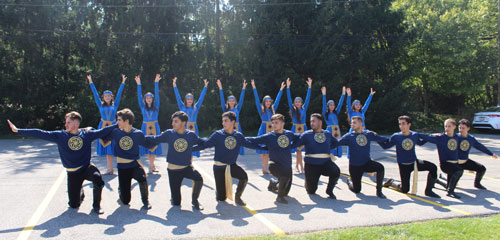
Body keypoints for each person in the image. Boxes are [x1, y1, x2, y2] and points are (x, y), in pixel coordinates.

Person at [7, 112, 117, 214]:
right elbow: (40, 133)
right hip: (73, 173)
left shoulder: (87, 134)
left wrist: (118, 124)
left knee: (97, 178)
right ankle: (80, 191)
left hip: (86, 167)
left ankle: (96, 206)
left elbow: (103, 131)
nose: (66, 124)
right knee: (74, 205)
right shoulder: (60, 136)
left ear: (76, 123)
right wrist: (18, 131)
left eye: (68, 122)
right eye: (66, 122)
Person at [193, 112, 265, 206]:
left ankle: (238, 197)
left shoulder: (238, 136)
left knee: (244, 177)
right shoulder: (218, 135)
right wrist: (189, 150)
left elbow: (249, 144)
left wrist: (265, 148)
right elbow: (204, 145)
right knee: (221, 198)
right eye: (223, 121)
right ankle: (219, 193)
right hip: (219, 167)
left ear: (233, 122)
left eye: (226, 121)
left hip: (232, 165)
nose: (223, 123)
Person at [147, 111, 205, 210]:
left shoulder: (191, 135)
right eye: (173, 121)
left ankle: (195, 200)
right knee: (176, 202)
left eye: (176, 121)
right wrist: (138, 137)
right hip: (173, 170)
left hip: (186, 168)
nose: (173, 124)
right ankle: (174, 198)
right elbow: (155, 139)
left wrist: (192, 149)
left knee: (198, 178)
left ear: (183, 123)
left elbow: (203, 142)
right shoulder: (169, 133)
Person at [378, 116, 440, 198]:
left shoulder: (414, 135)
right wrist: (376, 138)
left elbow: (420, 143)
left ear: (409, 124)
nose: (401, 126)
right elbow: (385, 147)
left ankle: (429, 191)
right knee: (404, 190)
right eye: (400, 124)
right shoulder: (396, 136)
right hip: (403, 165)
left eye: (403, 124)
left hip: (414, 163)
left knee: (433, 167)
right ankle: (391, 182)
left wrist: (432, 136)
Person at [246, 114, 301, 204]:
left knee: (285, 192)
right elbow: (254, 140)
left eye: (276, 122)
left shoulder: (289, 134)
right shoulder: (269, 136)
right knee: (284, 178)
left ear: (282, 123)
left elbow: (300, 137)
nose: (274, 125)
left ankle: (273, 183)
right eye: (273, 123)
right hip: (274, 165)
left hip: (287, 166)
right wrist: (239, 138)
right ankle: (279, 198)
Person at [105, 108, 153, 209]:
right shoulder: (116, 132)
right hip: (122, 167)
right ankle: (121, 190)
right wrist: (88, 130)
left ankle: (145, 201)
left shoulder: (138, 133)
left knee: (142, 178)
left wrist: (162, 137)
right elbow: (103, 135)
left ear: (126, 121)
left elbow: (147, 143)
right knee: (125, 201)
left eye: (119, 120)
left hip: (134, 164)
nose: (117, 122)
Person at [438, 119, 499, 190]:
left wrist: (491, 154)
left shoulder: (471, 138)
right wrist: (440, 135)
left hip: (465, 162)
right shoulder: (455, 137)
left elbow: (480, 146)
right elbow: (445, 136)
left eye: (463, 128)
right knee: (449, 186)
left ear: (468, 128)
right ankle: (440, 179)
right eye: (459, 128)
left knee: (482, 169)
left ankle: (477, 184)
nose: (461, 130)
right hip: (455, 163)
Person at [337, 116, 388, 198]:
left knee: (380, 168)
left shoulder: (368, 134)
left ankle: (379, 191)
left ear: (361, 124)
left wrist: (396, 139)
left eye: (354, 123)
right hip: (355, 166)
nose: (352, 124)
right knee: (357, 190)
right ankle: (350, 181)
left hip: (366, 163)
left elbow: (382, 138)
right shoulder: (349, 136)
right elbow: (336, 143)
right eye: (351, 123)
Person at [87, 74, 126, 175]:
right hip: (103, 126)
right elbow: (95, 94)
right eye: (105, 96)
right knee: (106, 147)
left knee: (111, 147)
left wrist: (123, 83)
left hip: (113, 127)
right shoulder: (100, 104)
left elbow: (119, 94)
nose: (107, 97)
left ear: (111, 97)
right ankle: (109, 168)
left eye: (109, 96)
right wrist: (91, 81)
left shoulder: (115, 104)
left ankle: (110, 168)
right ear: (103, 97)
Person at [296, 113, 341, 199]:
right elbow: (295, 144)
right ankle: (308, 182)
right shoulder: (306, 135)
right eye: (311, 121)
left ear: (320, 122)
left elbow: (336, 142)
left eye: (313, 121)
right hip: (311, 165)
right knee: (311, 191)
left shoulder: (327, 134)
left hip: (325, 163)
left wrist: (327, 148)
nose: (311, 123)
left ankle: (329, 190)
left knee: (335, 171)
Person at [418, 119, 463, 198]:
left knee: (449, 184)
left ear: (454, 127)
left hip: (455, 163)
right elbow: (427, 137)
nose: (447, 128)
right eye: (445, 126)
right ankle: (450, 192)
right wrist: (414, 133)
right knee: (459, 171)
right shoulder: (440, 138)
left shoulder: (457, 137)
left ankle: (437, 181)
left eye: (449, 126)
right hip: (446, 164)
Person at [251, 79, 285, 174]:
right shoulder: (261, 109)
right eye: (267, 102)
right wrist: (254, 87)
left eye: (270, 102)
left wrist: (281, 89)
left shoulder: (273, 109)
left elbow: (277, 100)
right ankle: (264, 167)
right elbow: (257, 100)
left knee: (269, 150)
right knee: (263, 150)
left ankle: (267, 167)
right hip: (263, 129)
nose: (268, 103)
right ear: (264, 102)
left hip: (271, 129)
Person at [173, 77, 208, 158]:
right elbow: (177, 96)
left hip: (193, 127)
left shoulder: (196, 107)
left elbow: (201, 98)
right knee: (183, 143)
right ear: (185, 100)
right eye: (188, 99)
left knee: (192, 145)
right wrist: (174, 85)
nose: (189, 100)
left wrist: (205, 87)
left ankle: (190, 163)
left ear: (193, 100)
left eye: (191, 99)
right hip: (183, 127)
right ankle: (183, 162)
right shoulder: (181, 106)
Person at [136, 74, 162, 174]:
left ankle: (151, 166)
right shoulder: (142, 106)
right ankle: (152, 166)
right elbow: (139, 96)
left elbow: (157, 94)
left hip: (155, 126)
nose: (149, 99)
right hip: (145, 126)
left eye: (150, 98)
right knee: (147, 145)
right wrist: (139, 84)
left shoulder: (156, 106)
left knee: (154, 145)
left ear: (152, 99)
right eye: (147, 98)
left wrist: (156, 83)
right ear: (145, 99)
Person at [286, 77, 312, 174]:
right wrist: (288, 88)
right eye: (296, 102)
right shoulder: (293, 110)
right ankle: (301, 167)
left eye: (299, 102)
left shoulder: (304, 109)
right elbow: (288, 99)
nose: (298, 103)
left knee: (301, 149)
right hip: (295, 129)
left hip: (304, 129)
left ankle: (298, 165)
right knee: (298, 150)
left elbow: (308, 98)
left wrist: (309, 87)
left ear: (301, 103)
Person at [216, 79, 247, 155]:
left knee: (237, 144)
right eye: (230, 101)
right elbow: (222, 99)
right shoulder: (225, 109)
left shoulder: (238, 108)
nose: (231, 102)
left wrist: (243, 88)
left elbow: (242, 99)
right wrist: (220, 87)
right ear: (228, 102)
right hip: (227, 128)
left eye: (233, 100)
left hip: (237, 127)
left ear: (235, 102)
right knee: (228, 143)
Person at [345, 87, 375, 159]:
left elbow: (367, 104)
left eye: (359, 104)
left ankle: (365, 157)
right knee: (353, 144)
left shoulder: (362, 111)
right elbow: (348, 104)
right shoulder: (351, 112)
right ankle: (351, 156)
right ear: (353, 106)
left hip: (363, 130)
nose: (358, 105)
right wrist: (349, 95)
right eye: (356, 104)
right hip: (354, 131)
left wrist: (370, 95)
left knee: (364, 144)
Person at [322, 86, 346, 158]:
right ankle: (329, 161)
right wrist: (324, 95)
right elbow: (323, 104)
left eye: (333, 105)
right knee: (330, 146)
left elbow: (340, 104)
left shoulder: (336, 112)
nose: (332, 106)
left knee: (337, 145)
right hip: (329, 130)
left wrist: (343, 94)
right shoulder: (325, 113)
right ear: (328, 106)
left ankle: (333, 161)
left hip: (337, 131)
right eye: (330, 105)